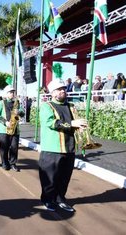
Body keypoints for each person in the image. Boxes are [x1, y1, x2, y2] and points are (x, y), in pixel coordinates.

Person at [38, 79, 88, 212]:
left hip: (69, 147)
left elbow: (75, 122)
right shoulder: (46, 106)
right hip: (52, 149)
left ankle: (60, 199)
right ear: (53, 93)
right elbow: (51, 123)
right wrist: (72, 124)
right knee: (50, 178)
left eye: (64, 89)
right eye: (60, 89)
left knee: (65, 177)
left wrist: (80, 127)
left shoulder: (71, 105)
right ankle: (48, 199)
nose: (63, 91)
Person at [0, 85, 24, 172]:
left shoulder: (17, 103)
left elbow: (22, 113)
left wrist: (20, 112)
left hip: (15, 129)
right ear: (6, 93)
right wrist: (5, 122)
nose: (12, 94)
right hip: (4, 129)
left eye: (13, 92)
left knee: (14, 147)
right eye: (10, 92)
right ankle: (4, 162)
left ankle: (13, 163)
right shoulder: (1, 103)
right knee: (4, 147)